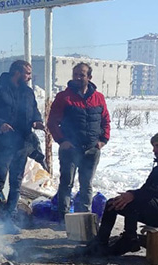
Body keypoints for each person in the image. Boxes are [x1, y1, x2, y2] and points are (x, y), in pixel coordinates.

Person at [91, 130, 158, 256]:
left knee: (134, 201)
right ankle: (100, 243)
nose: (154, 150)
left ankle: (130, 239)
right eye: (154, 146)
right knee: (113, 204)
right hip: (157, 207)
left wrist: (133, 195)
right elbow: (147, 188)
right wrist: (130, 195)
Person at [0, 60, 44, 233]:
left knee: (16, 183)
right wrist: (0, 123)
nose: (30, 77)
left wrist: (37, 121)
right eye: (27, 73)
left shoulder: (28, 93)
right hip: (4, 143)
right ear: (16, 72)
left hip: (22, 143)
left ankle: (9, 220)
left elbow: (34, 111)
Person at [47, 63, 111, 221]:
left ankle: (85, 218)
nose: (77, 77)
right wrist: (61, 140)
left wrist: (103, 141)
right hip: (70, 149)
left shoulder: (99, 98)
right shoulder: (64, 97)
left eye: (81, 75)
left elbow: (106, 121)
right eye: (75, 74)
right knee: (66, 183)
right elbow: (52, 122)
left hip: (91, 150)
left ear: (89, 77)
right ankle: (63, 216)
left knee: (86, 184)